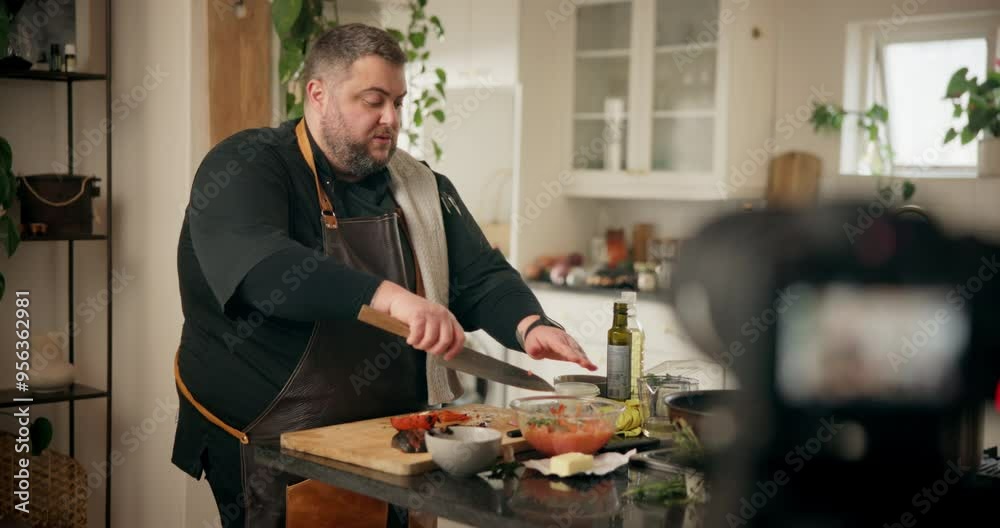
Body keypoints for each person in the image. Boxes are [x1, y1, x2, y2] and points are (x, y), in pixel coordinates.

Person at [171, 23, 596, 527]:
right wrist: (392, 297)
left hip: (393, 443)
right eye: (373, 101)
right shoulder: (248, 164)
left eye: (398, 102)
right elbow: (264, 270)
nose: (390, 119)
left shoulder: (419, 184)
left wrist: (529, 324)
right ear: (317, 94)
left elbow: (481, 276)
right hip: (272, 447)